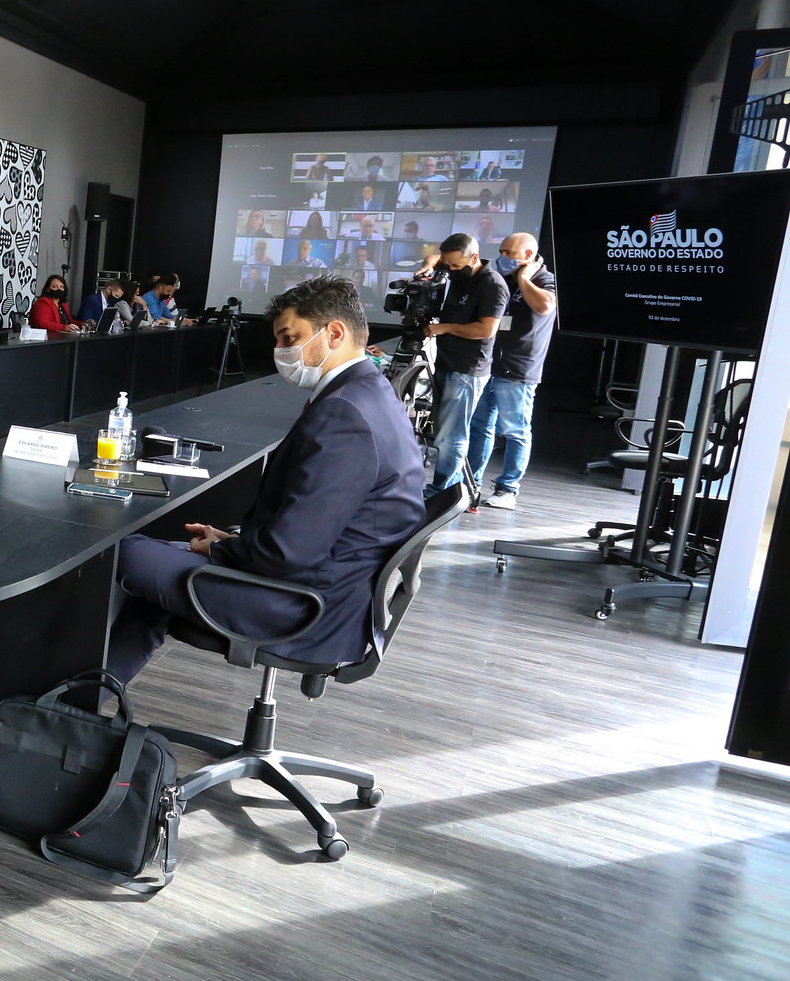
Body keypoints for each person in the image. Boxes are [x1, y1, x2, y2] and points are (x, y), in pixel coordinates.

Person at [104, 276, 425, 683]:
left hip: (304, 607)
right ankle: (90, 695)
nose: (280, 351)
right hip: (323, 589)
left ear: (335, 333)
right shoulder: (372, 393)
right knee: (159, 565)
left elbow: (290, 553)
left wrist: (222, 550)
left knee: (122, 553)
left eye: (290, 337)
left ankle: (79, 697)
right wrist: (233, 541)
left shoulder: (346, 414)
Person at [468, 232, 558, 510]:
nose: (503, 257)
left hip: (519, 368)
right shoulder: (501, 277)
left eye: (509, 253)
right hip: (489, 364)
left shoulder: (544, 278)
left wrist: (524, 279)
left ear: (528, 255)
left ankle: (508, 489)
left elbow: (544, 306)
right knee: (480, 426)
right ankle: (471, 484)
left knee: (515, 430)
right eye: (502, 251)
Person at [424, 232, 509, 500]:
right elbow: (437, 258)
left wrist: (444, 328)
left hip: (466, 370)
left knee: (451, 437)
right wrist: (428, 265)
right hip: (446, 362)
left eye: (455, 266)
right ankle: (445, 488)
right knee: (444, 433)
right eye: (447, 265)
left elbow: (486, 329)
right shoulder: (456, 266)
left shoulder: (492, 285)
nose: (449, 270)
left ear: (474, 258)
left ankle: (441, 493)